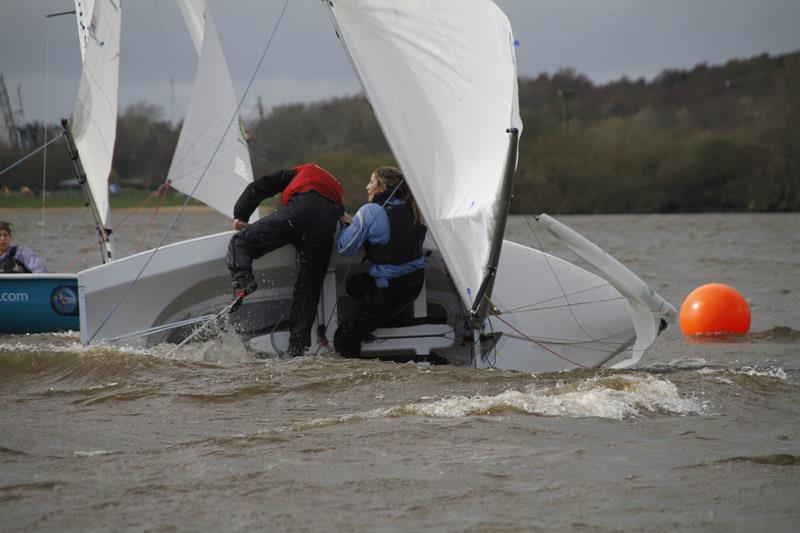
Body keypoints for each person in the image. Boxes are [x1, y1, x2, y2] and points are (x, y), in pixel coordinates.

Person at [226, 163, 344, 357]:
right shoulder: (336, 188)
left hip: (299, 211)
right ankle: (296, 349)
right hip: (326, 222)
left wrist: (241, 215)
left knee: (241, 241)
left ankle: (243, 282)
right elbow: (340, 213)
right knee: (308, 288)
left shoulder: (299, 172)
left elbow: (259, 187)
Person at [334, 166, 427, 358]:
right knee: (355, 285)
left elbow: (345, 247)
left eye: (371, 182)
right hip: (413, 286)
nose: (367, 187)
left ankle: (363, 383)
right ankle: (384, 320)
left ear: (382, 187)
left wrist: (347, 224)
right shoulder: (415, 207)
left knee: (343, 339)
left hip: (388, 292)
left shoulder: (370, 211)